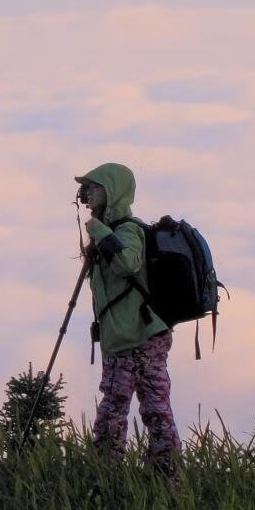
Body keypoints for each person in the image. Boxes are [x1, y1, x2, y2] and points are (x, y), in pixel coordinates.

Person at [75, 162, 180, 477]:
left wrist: (98, 230)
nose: (86, 193)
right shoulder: (111, 231)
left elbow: (128, 263)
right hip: (132, 335)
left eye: (93, 187)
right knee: (152, 408)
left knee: (120, 409)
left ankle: (108, 475)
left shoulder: (127, 229)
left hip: (136, 337)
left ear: (112, 191)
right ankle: (164, 476)